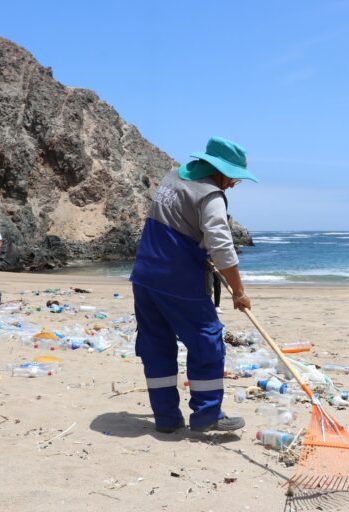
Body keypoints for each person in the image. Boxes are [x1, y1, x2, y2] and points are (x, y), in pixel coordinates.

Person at [129, 136, 257, 434]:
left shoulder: (172, 177)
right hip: (179, 281)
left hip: (145, 275)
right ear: (218, 170)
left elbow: (179, 225)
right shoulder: (209, 196)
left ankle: (166, 417)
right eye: (234, 177)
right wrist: (239, 292)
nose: (234, 184)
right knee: (207, 341)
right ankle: (207, 413)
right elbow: (223, 247)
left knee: (156, 345)